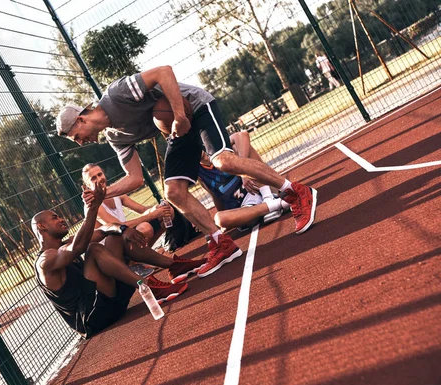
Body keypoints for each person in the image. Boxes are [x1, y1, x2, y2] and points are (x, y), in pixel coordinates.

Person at [56, 65, 318, 280]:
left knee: (223, 161)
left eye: (76, 137)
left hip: (195, 107)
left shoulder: (117, 95)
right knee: (173, 192)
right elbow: (134, 178)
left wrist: (180, 115)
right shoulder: (115, 136)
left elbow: (164, 72)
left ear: (81, 120)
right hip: (176, 130)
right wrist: (103, 194)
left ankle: (296, 192)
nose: (81, 142)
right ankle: (220, 243)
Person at [31, 181, 205, 338]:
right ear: (41, 226)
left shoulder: (64, 244)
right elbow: (79, 247)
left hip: (109, 302)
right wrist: (93, 208)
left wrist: (122, 228)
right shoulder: (45, 261)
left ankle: (174, 265)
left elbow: (103, 230)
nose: (62, 219)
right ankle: (148, 287)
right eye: (55, 217)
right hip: (92, 318)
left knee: (115, 236)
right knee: (93, 249)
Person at [198, 131, 291, 231]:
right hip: (246, 207)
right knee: (220, 219)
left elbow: (242, 135)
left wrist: (243, 172)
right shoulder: (200, 174)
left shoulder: (218, 150)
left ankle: (269, 198)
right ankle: (280, 204)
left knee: (242, 146)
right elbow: (216, 197)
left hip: (260, 188)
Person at [82, 163, 173, 247]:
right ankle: (134, 261)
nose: (99, 179)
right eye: (93, 178)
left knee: (168, 211)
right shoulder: (93, 205)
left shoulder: (116, 193)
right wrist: (153, 214)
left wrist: (160, 208)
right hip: (112, 247)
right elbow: (120, 226)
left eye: (100, 174)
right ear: (87, 185)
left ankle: (145, 255)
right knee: (145, 228)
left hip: (125, 233)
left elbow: (142, 209)